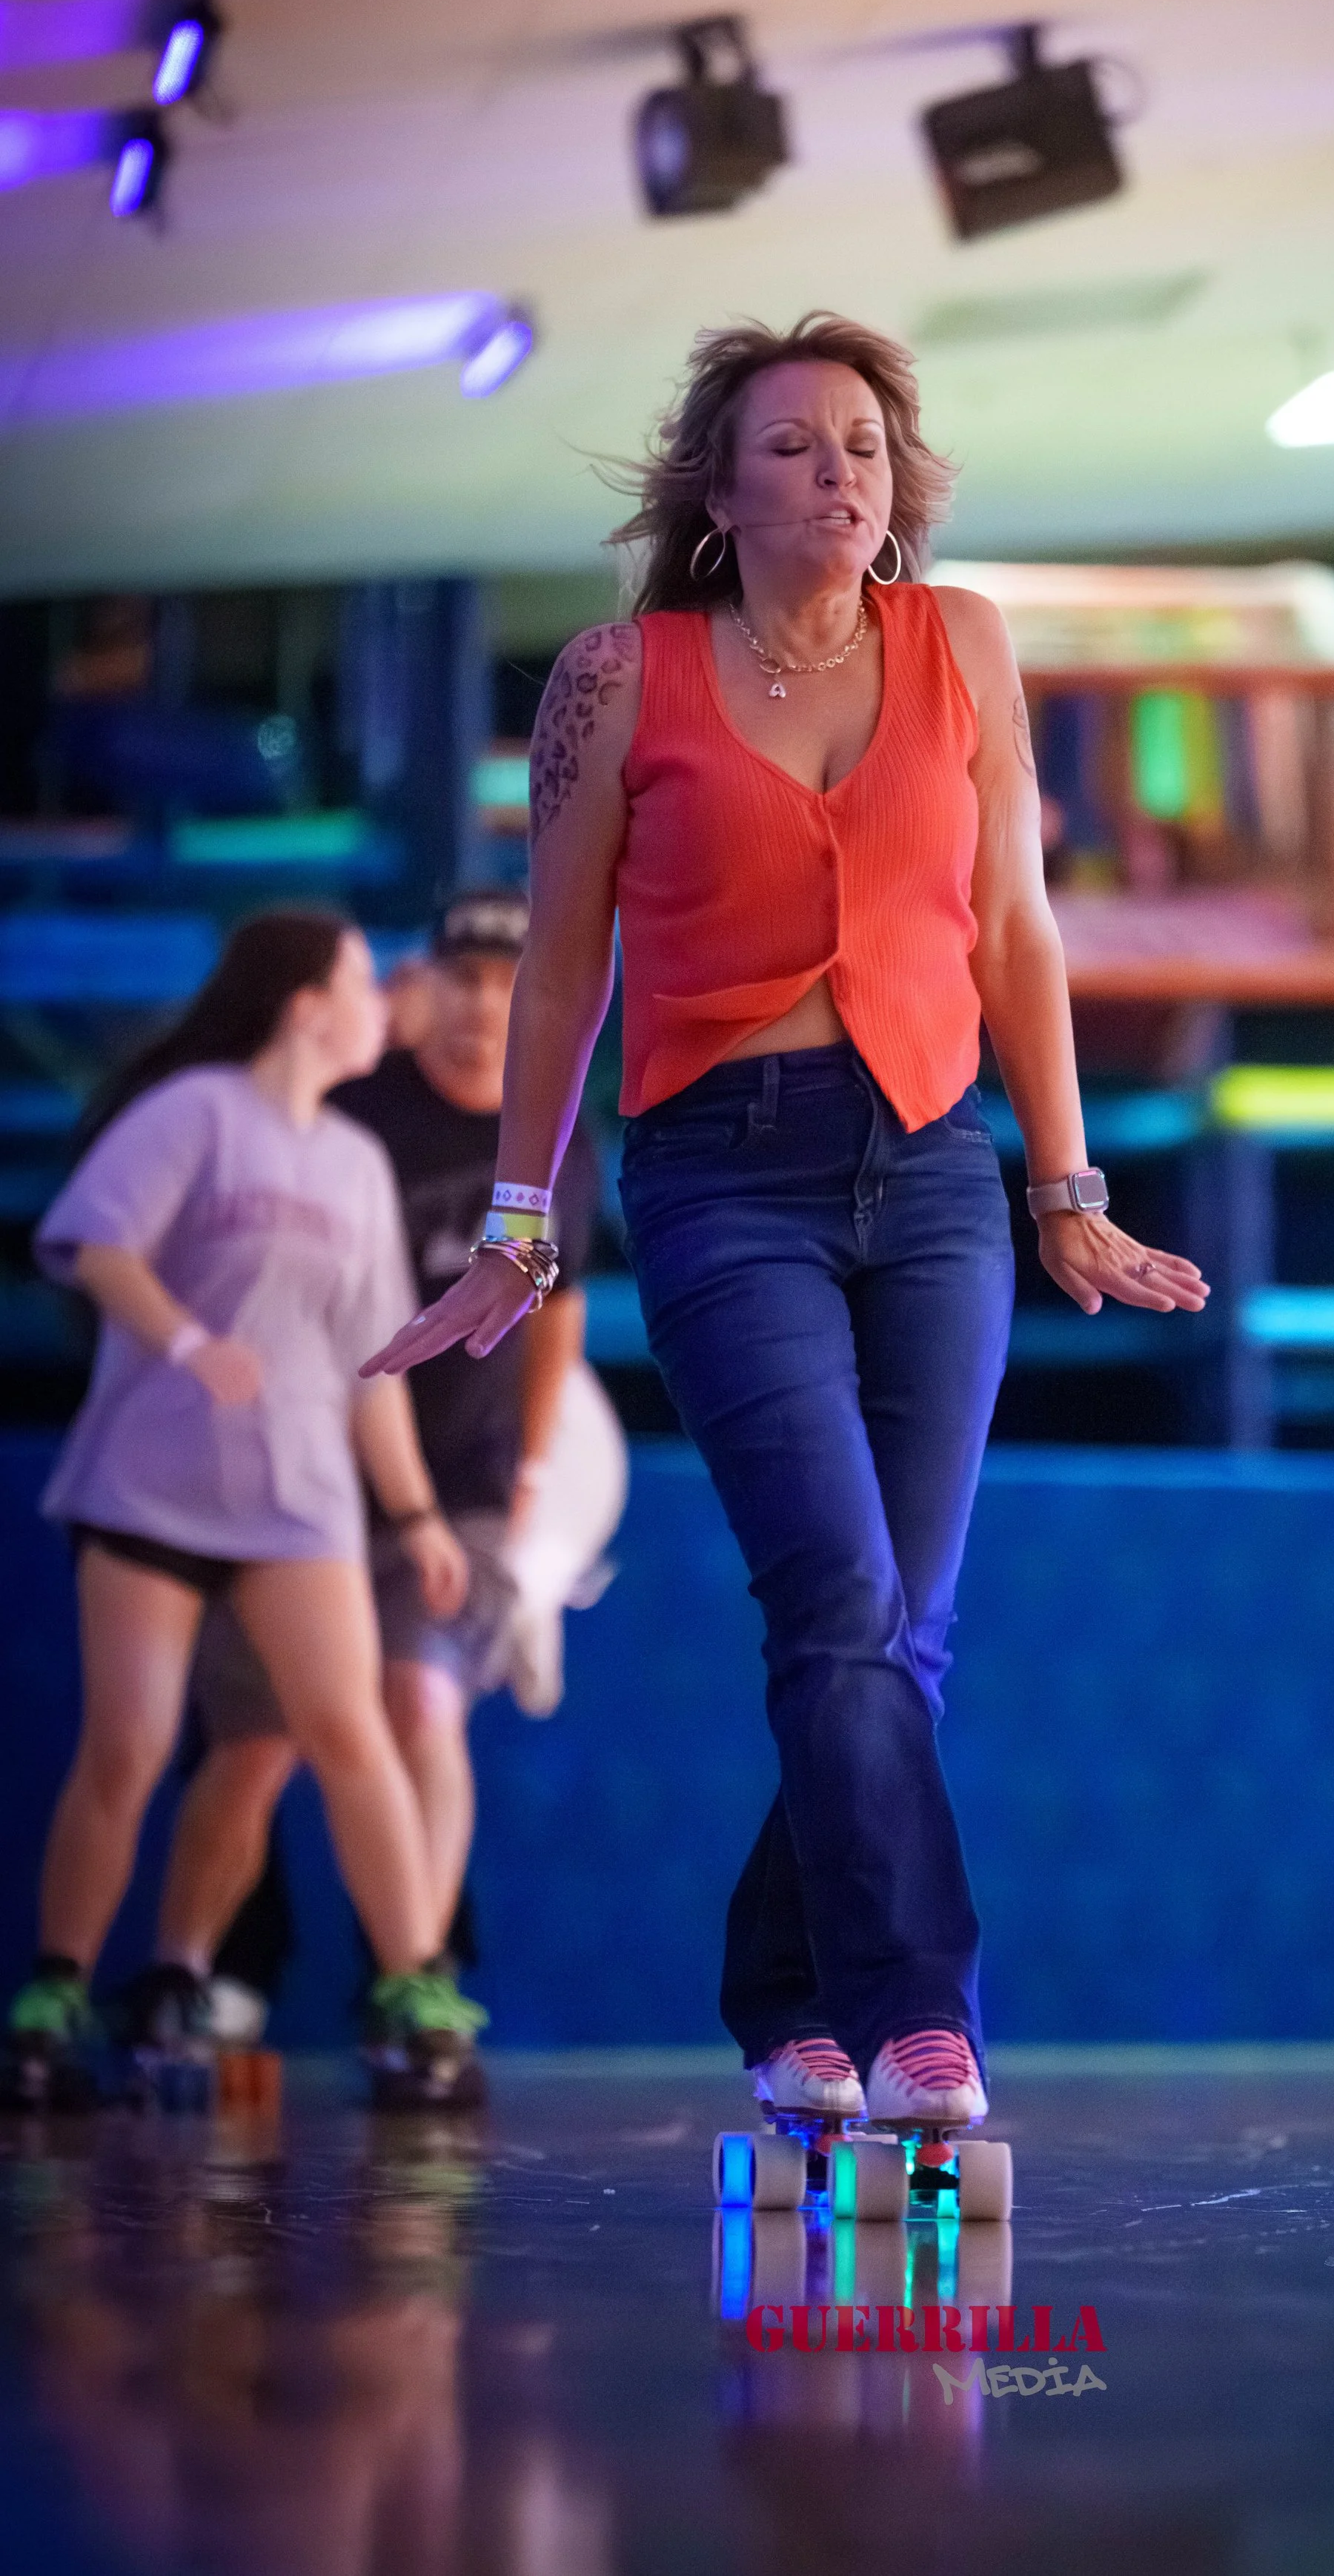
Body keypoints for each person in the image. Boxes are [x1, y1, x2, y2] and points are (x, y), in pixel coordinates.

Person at [365, 311, 1209, 2131]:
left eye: (862, 446)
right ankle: (921, 2021)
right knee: (834, 1596)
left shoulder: (960, 642)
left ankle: (784, 1990)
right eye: (791, 446)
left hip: (936, 1168)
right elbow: (562, 968)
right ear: (719, 492)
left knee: (898, 1626)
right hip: (719, 1176)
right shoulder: (619, 675)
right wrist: (521, 1223)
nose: (837, 473)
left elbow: (1015, 930)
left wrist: (1065, 1186)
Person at [1, 908, 488, 2108]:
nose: (385, 1001)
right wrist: (187, 1342)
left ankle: (414, 1982)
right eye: (362, 980)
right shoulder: (197, 1112)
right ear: (305, 1004)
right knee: (129, 1742)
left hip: (297, 1496)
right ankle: (57, 1991)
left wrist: (416, 1515)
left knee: (348, 1730)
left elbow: (376, 1365)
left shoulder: (354, 1163)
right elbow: (96, 1245)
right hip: (153, 1486)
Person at [153, 889, 614, 2022]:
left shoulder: (561, 1137)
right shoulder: (352, 1106)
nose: (484, 1007)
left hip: (462, 1487)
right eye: (463, 979)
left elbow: (558, 1316)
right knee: (255, 1739)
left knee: (419, 1703)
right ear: (420, 988)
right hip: (303, 1476)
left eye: (511, 985)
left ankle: (411, 1977)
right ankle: (204, 1976)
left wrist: (532, 1478)